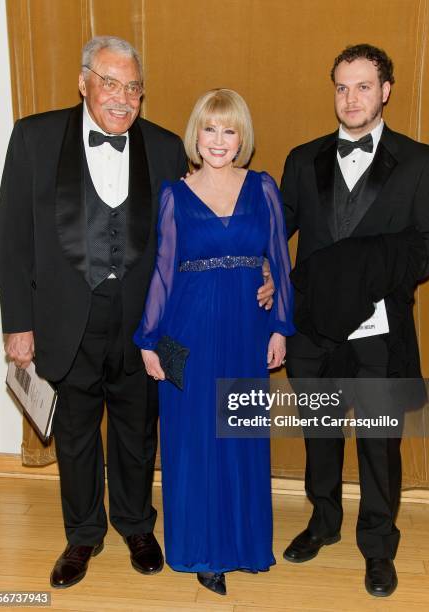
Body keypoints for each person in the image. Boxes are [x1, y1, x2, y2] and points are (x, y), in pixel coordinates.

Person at [0, 37, 274, 589]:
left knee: (137, 428)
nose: (121, 98)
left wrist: (260, 269)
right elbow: (11, 239)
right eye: (109, 83)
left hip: (150, 322)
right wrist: (17, 324)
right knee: (74, 433)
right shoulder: (33, 137)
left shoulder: (168, 146)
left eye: (132, 88)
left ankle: (135, 524)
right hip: (64, 317)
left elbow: (207, 223)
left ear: (142, 95)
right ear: (84, 81)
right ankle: (82, 535)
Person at [280, 44, 429, 597]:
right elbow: (272, 234)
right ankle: (323, 522)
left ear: (385, 91)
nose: (350, 98)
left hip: (382, 334)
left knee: (380, 445)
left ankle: (378, 546)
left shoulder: (420, 161)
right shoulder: (301, 159)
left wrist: (378, 270)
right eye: (341, 87)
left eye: (362, 86)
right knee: (320, 436)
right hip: (315, 334)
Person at [134, 88, 295, 596]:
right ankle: (202, 553)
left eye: (229, 130)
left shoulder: (263, 187)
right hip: (188, 334)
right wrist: (148, 339)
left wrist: (279, 327)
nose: (219, 140)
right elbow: (162, 274)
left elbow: (279, 261)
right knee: (194, 442)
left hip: (247, 332)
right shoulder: (173, 195)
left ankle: (245, 545)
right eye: (210, 128)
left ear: (242, 136)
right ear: (195, 135)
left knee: (241, 437)